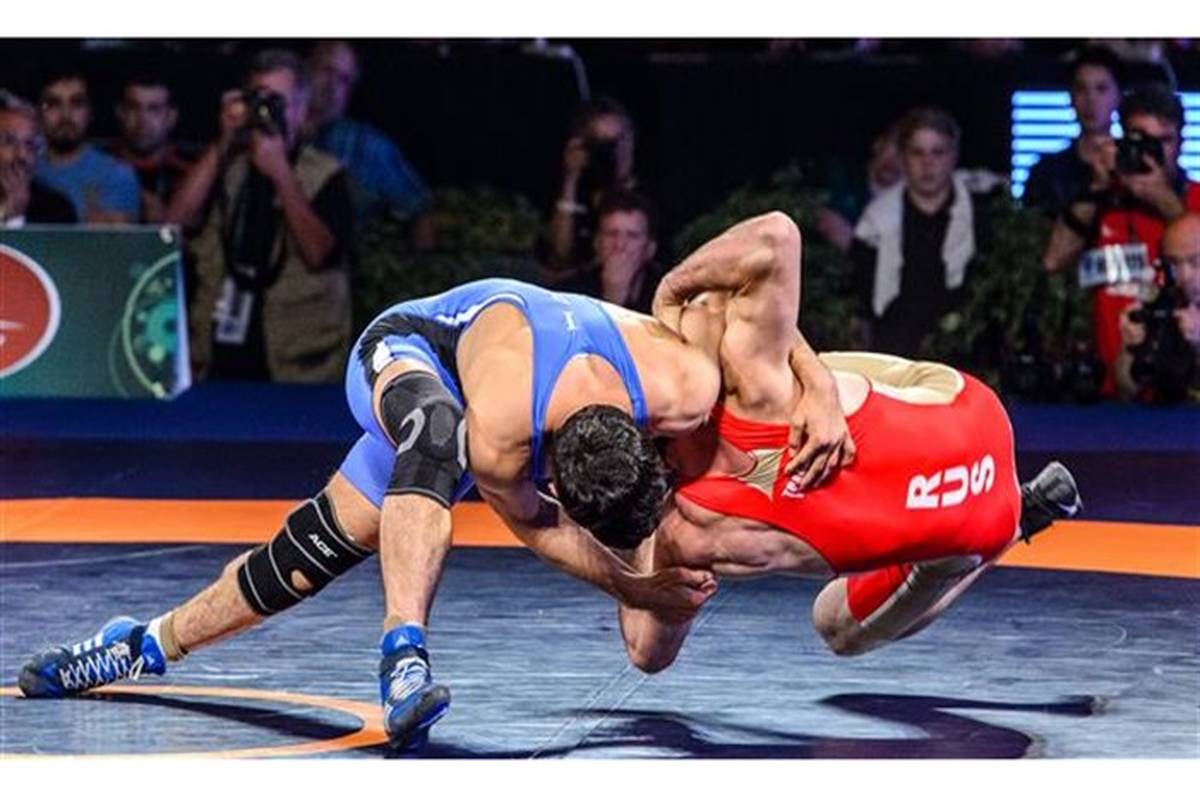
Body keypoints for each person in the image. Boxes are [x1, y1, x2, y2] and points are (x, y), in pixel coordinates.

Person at [18, 222, 853, 752]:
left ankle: (142, 641)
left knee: (297, 561)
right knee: (435, 434)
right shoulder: (501, 436)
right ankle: (403, 653)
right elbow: (538, 526)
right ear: (556, 475)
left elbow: (753, 293)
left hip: (501, 395)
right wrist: (634, 583)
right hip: (415, 346)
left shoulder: (687, 385)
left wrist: (814, 382)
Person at [607, 215, 1080, 671]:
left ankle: (1021, 518)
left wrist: (626, 566)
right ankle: (824, 380)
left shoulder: (688, 538)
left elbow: (646, 653)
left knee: (836, 625)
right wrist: (671, 291)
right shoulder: (739, 372)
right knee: (775, 349)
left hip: (982, 521)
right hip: (972, 409)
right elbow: (775, 235)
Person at [166, 49, 354, 383]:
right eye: (258, 99)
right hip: (217, 358)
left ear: (301, 109)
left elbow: (318, 252)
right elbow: (173, 225)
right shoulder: (229, 167)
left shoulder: (326, 173)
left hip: (294, 365)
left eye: (278, 101)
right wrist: (224, 140)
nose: (267, 111)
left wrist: (280, 172)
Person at [1042, 84, 1200, 396]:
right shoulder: (1101, 203)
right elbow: (1052, 261)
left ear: (1181, 142)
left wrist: (1161, 198)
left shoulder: (1195, 200)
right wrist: (1098, 186)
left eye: (1163, 141)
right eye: (1140, 140)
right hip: (1105, 391)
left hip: (1185, 393)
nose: (1152, 152)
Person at [851, 107, 1005, 357]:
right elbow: (860, 303)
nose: (928, 163)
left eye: (938, 152)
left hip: (970, 356)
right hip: (895, 356)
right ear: (903, 158)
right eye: (917, 152)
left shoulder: (985, 216)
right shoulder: (874, 224)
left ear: (954, 156)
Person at [304, 40, 432, 243]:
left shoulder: (366, 145)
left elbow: (419, 210)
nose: (332, 87)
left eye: (344, 80)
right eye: (327, 71)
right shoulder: (274, 131)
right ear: (305, 71)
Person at [545, 96, 641, 277]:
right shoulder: (578, 194)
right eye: (606, 144)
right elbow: (559, 255)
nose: (616, 150)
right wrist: (571, 178)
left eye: (621, 139)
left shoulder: (651, 196)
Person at [1023, 46, 1122, 219]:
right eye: (1081, 89)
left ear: (1118, 97)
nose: (1091, 100)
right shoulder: (1046, 173)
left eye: (1101, 89)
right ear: (1071, 97)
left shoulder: (1132, 168)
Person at [33, 68, 140, 223]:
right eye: (53, 104)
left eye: (77, 103)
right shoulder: (23, 171)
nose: (65, 115)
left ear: (90, 112)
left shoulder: (116, 176)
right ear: (37, 113)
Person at [1115, 213, 1200, 401]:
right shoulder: (1164, 304)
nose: (1184, 276)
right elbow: (1126, 390)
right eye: (1174, 264)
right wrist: (1130, 348)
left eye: (1195, 262)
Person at [108, 71, 195, 223]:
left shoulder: (191, 173)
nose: (142, 120)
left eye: (154, 109)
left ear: (171, 117)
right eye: (133, 108)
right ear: (120, 113)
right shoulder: (97, 166)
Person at [556, 189, 662, 313]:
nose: (620, 245)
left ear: (650, 249)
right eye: (612, 234)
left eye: (632, 235)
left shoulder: (668, 296)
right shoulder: (568, 295)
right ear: (597, 243)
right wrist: (612, 298)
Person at [0, 90, 76, 226]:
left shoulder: (56, 210)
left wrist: (15, 219)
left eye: (30, 144)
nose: (22, 155)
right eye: (9, 141)